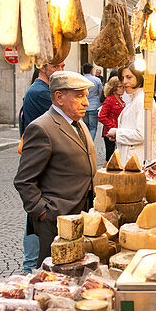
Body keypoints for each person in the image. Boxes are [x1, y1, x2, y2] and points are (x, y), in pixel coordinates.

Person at [15, 71, 99, 264]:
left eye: (86, 95)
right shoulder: (41, 128)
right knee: (55, 279)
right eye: (79, 96)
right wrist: (43, 212)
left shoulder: (79, 123)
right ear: (59, 97)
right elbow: (24, 180)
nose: (86, 102)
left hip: (83, 214)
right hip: (56, 220)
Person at [112, 65, 156, 164]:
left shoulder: (142, 100)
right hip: (132, 158)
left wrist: (117, 133)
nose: (124, 81)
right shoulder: (135, 98)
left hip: (140, 159)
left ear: (139, 77)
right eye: (123, 78)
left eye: (129, 77)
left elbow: (141, 134)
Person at [20, 59, 65, 134]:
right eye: (55, 67)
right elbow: (62, 119)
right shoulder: (41, 92)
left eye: (62, 66)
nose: (60, 71)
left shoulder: (43, 89)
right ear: (42, 68)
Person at [97, 76, 125, 160]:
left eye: (122, 86)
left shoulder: (120, 99)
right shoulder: (109, 100)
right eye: (119, 87)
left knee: (116, 157)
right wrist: (113, 126)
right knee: (109, 158)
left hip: (118, 132)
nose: (122, 89)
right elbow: (101, 117)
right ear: (113, 88)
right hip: (110, 133)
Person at [82, 63, 105, 144]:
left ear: (83, 70)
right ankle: (90, 143)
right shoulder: (97, 80)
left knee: (85, 126)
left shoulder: (81, 79)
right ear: (91, 70)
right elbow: (100, 93)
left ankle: (86, 143)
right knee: (93, 127)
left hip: (83, 106)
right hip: (94, 106)